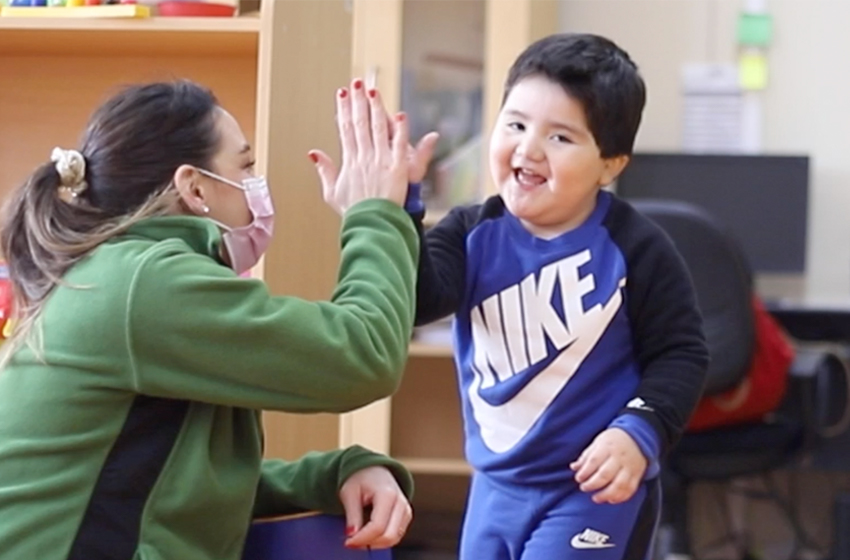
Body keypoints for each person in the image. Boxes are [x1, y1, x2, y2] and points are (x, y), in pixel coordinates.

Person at [0, 78, 421, 559]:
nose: (256, 188)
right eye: (246, 166)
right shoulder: (144, 284)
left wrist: (335, 473)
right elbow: (362, 356)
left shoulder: (121, 275)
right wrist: (377, 212)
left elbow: (179, 491)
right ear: (194, 187)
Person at [403, 33, 710, 559]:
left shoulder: (637, 248)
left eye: (561, 138)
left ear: (611, 163)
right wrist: (398, 210)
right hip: (494, 486)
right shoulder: (469, 232)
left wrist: (639, 429)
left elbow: (682, 353)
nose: (528, 149)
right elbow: (416, 300)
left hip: (593, 492)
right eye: (516, 124)